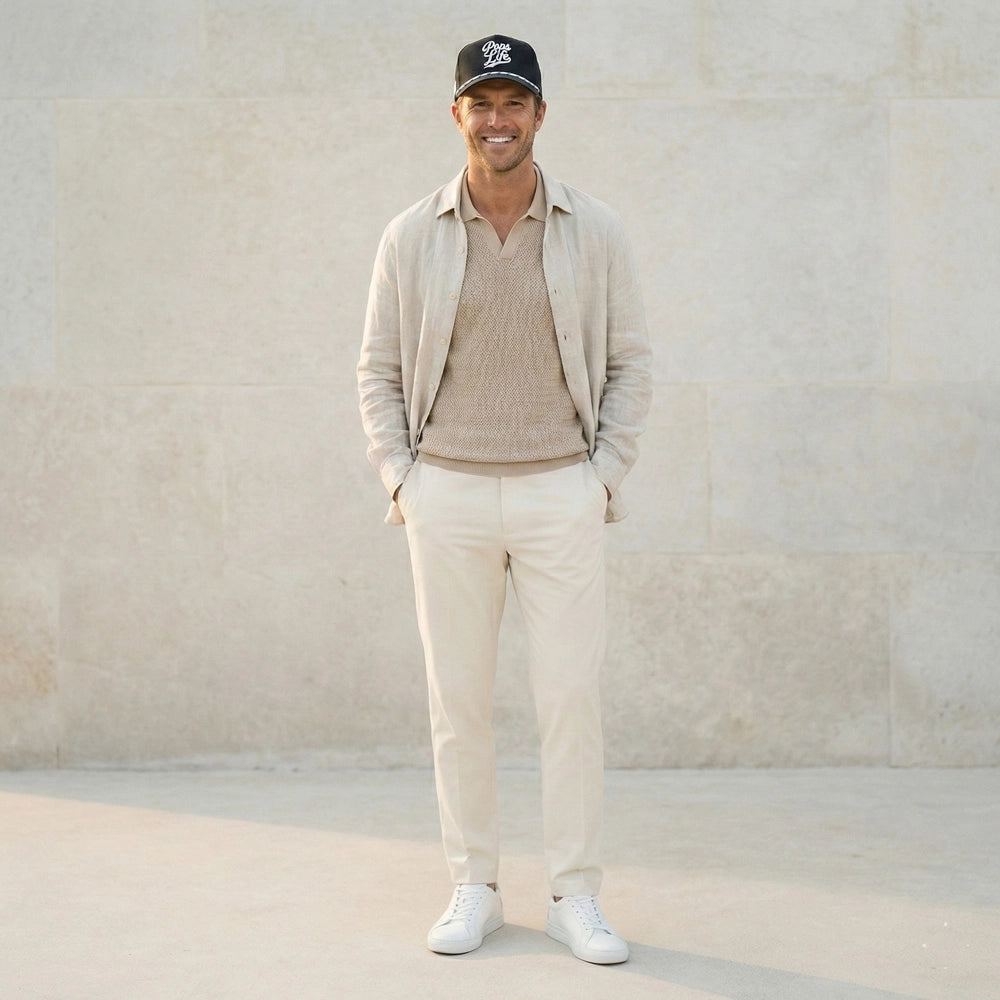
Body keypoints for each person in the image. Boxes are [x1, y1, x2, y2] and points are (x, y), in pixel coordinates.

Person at [357, 33, 651, 965]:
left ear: (539, 114)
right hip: (446, 493)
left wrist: (600, 478)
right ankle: (474, 885)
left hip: (560, 491)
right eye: (481, 103)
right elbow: (377, 370)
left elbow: (630, 364)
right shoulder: (411, 235)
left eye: (513, 102)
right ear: (457, 115)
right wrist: (404, 479)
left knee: (570, 701)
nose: (497, 119)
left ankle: (575, 894)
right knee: (460, 703)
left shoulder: (594, 230)